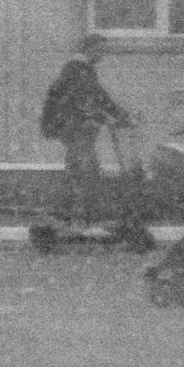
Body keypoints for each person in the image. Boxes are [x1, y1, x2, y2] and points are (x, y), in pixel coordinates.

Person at [40, 34, 134, 227]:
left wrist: (119, 115)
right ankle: (80, 214)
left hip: (74, 126)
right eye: (100, 50)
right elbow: (84, 99)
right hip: (74, 127)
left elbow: (98, 96)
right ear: (89, 48)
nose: (102, 54)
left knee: (79, 168)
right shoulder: (77, 68)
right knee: (86, 168)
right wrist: (108, 116)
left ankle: (67, 214)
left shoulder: (82, 69)